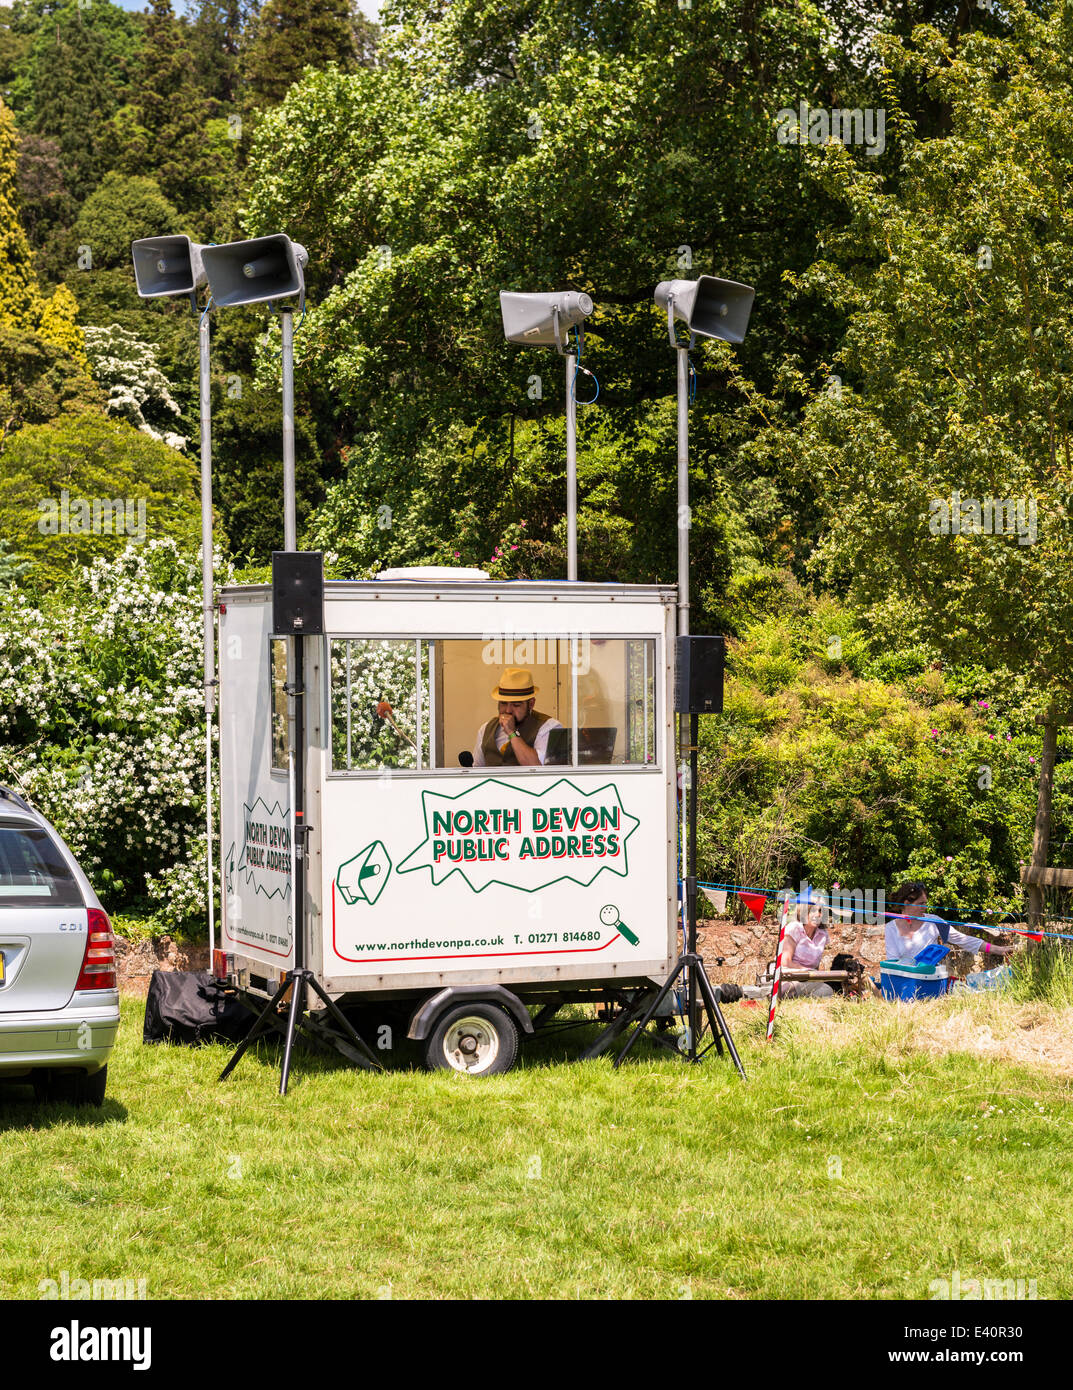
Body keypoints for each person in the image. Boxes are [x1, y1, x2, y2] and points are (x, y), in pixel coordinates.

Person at [885, 881, 1017, 967]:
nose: (924, 907)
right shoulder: (890, 928)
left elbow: (964, 940)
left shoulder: (934, 922)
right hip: (904, 982)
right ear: (906, 904)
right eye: (920, 904)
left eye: (925, 903)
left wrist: (999, 950)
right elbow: (893, 963)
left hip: (930, 978)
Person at [472, 668, 563, 767]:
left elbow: (537, 767)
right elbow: (476, 770)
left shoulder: (549, 727)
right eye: (503, 703)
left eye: (516, 705)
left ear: (531, 704)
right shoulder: (486, 729)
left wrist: (512, 733)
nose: (508, 710)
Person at [781, 896, 835, 999]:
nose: (818, 915)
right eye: (813, 911)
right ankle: (781, 991)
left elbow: (816, 965)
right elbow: (785, 962)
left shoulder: (823, 935)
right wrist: (808, 972)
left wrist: (813, 974)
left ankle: (790, 993)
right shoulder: (794, 928)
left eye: (820, 911)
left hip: (807, 978)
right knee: (815, 982)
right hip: (787, 973)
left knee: (827, 990)